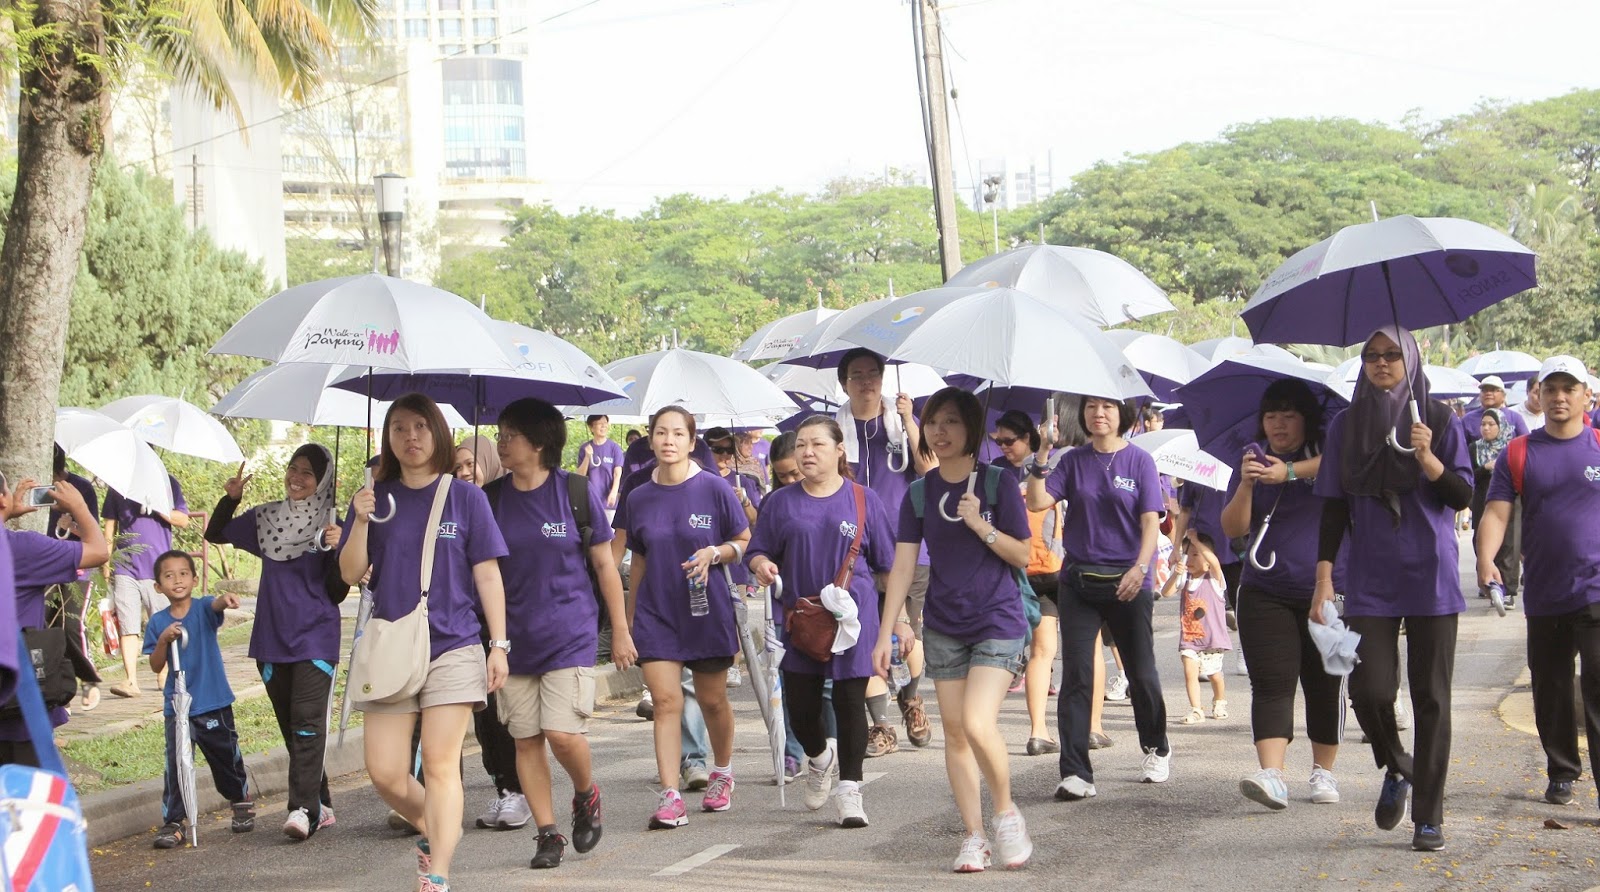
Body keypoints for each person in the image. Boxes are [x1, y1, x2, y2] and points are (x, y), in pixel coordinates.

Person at [338, 393, 511, 892]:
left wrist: (497, 644)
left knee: (439, 761)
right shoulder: (375, 497)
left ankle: (438, 873)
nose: (410, 437)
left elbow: (489, 577)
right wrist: (361, 519)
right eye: (398, 428)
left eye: (420, 426)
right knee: (386, 773)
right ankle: (439, 826)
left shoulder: (467, 497)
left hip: (454, 644)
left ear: (436, 432)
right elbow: (350, 574)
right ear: (387, 438)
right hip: (393, 644)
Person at [1312, 325, 1472, 853]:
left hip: (1431, 575)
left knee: (1432, 699)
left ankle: (1429, 817)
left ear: (1411, 360)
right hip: (1371, 578)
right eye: (1371, 356)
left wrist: (1428, 459)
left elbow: (1462, 494)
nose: (1381, 364)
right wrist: (1324, 577)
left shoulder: (1441, 419)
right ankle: (1399, 766)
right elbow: (1334, 505)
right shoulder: (1344, 428)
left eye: (1391, 355)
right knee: (1369, 690)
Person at [874, 387, 1034, 872]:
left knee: (978, 722)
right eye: (933, 423)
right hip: (944, 624)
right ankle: (975, 836)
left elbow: (1025, 555)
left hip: (997, 619)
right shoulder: (919, 493)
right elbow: (902, 568)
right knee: (955, 733)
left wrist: (980, 526)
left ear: (972, 430)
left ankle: (1006, 812)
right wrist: (886, 632)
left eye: (951, 423)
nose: (939, 432)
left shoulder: (997, 483)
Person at [490, 398, 636, 869]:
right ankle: (547, 832)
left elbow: (604, 566)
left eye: (509, 435)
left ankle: (585, 792)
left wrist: (620, 630)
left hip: (568, 631)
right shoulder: (490, 499)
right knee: (526, 739)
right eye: (500, 434)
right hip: (511, 640)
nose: (501, 442)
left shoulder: (573, 491)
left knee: (561, 732)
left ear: (538, 443)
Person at [748, 416, 893, 829]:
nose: (807, 452)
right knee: (801, 708)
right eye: (801, 446)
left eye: (817, 445)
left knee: (850, 702)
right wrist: (762, 565)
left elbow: (886, 566)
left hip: (854, 619)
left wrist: (896, 622)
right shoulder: (779, 503)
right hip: (802, 619)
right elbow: (757, 551)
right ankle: (819, 756)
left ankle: (850, 791)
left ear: (839, 450)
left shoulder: (864, 500)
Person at [1026, 395, 1171, 801]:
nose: (1099, 413)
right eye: (1091, 406)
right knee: (1077, 676)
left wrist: (1140, 569)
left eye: (1107, 406)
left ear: (1122, 414)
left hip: (1129, 581)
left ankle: (1157, 744)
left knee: (1142, 674)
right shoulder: (1072, 460)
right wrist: (1043, 450)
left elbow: (1150, 523)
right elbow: (1037, 501)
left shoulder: (1139, 461)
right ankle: (1075, 772)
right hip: (1078, 582)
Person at [614, 406, 750, 829]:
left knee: (712, 700)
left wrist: (716, 552)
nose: (668, 440)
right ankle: (670, 794)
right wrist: (628, 617)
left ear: (693, 443)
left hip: (706, 611)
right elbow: (637, 560)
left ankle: (722, 772)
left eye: (677, 434)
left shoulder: (714, 489)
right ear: (650, 440)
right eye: (660, 433)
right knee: (666, 702)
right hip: (657, 613)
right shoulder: (637, 496)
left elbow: (743, 539)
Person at [204, 446, 347, 840]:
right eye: (293, 469)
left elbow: (337, 590)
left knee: (306, 724)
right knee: (292, 727)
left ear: (323, 482)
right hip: (271, 638)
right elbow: (214, 533)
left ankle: (302, 809)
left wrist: (338, 548)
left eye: (308, 473)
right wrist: (231, 499)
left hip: (315, 636)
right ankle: (321, 802)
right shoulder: (266, 518)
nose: (297, 478)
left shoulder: (335, 525)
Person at [1477, 356, 1600, 809]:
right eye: (1552, 389)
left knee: (1599, 684)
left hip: (1597, 589)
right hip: (1547, 591)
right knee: (1550, 687)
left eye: (1570, 388)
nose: (1560, 397)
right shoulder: (1519, 451)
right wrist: (1485, 558)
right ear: (1539, 396)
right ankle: (1562, 771)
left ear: (1588, 395)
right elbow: (1496, 511)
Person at [1219, 378, 1346, 811]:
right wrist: (1248, 484)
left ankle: (1323, 770)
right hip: (1264, 588)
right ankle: (1272, 775)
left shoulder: (1331, 448)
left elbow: (1343, 465)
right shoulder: (1253, 457)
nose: (1278, 424)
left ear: (1306, 420)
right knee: (1271, 684)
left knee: (1325, 683)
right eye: (1271, 416)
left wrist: (1289, 471)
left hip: (1328, 589)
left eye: (1289, 415)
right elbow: (1233, 529)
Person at [837, 348, 933, 757]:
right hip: (854, 549)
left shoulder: (900, 421)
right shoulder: (835, 430)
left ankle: (911, 696)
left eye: (873, 374)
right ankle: (880, 724)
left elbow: (929, 469)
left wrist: (910, 420)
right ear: (844, 383)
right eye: (857, 375)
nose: (866, 382)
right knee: (864, 634)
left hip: (908, 545)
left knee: (910, 630)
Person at [446, 434, 532, 835]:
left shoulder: (503, 503)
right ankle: (504, 786)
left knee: (504, 712)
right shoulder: (450, 507)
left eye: (470, 464)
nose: (464, 473)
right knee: (484, 719)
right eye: (457, 467)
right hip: (462, 623)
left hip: (503, 624)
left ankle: (521, 789)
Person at [144, 550, 252, 849]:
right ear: (158, 586)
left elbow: (215, 604)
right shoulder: (157, 622)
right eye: (168, 575)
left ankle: (240, 799)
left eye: (183, 574)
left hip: (212, 700)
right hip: (178, 707)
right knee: (177, 763)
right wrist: (164, 640)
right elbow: (155, 665)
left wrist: (225, 599)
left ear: (193, 579)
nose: (176, 580)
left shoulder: (203, 608)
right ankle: (175, 821)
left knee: (225, 756)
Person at [0, 474, 109, 766]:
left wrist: (5, 514)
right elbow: (99, 551)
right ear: (3, 498)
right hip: (17, 708)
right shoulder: (23, 549)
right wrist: (80, 507)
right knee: (26, 805)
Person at [991, 411, 1064, 756]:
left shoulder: (1044, 466)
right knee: (1042, 651)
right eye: (998, 441)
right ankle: (1038, 731)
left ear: (1029, 438)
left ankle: (1046, 731)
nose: (1004, 447)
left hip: (1044, 569)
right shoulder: (998, 473)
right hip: (1033, 571)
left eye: (1010, 441)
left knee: (1042, 652)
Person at [102, 475, 190, 698]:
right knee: (127, 622)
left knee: (161, 622)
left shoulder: (167, 483)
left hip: (158, 567)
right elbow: (110, 525)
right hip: (125, 565)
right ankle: (131, 680)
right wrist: (105, 561)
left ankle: (164, 672)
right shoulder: (119, 484)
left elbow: (183, 520)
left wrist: (161, 508)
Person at [47, 445, 102, 711]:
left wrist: (72, 527)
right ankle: (59, 689)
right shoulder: (37, 490)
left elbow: (94, 535)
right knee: (46, 628)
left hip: (76, 567)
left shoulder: (81, 488)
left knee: (70, 623)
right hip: (43, 568)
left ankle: (88, 677)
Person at [1162, 531, 1230, 725]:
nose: (1190, 559)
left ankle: (1219, 700)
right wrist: (1176, 573)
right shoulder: (1185, 579)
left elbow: (1215, 563)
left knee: (1214, 675)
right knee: (1190, 671)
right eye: (1186, 553)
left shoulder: (1215, 579)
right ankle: (1196, 709)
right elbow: (1166, 592)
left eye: (1195, 554)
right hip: (1190, 639)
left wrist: (1196, 541)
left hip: (1212, 639)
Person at [1469, 408, 1520, 608]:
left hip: (1509, 500)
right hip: (1481, 500)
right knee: (1480, 540)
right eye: (1483, 425)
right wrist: (1484, 468)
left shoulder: (1511, 448)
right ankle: (1488, 583)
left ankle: (1508, 589)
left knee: (1508, 543)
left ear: (1501, 427)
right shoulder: (1474, 448)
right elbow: (1467, 473)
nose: (1486, 428)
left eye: (1491, 424)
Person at [575, 415, 624, 510]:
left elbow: (617, 473)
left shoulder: (614, 448)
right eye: (600, 424)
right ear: (591, 427)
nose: (603, 426)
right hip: (589, 501)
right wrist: (587, 457)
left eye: (605, 423)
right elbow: (580, 475)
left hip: (609, 501)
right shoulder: (585, 448)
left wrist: (614, 492)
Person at [1464, 375, 1529, 442]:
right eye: (1484, 390)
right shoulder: (1468, 419)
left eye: (1493, 390)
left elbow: (1526, 443)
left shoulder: (1515, 418)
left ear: (1503, 396)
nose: (1488, 393)